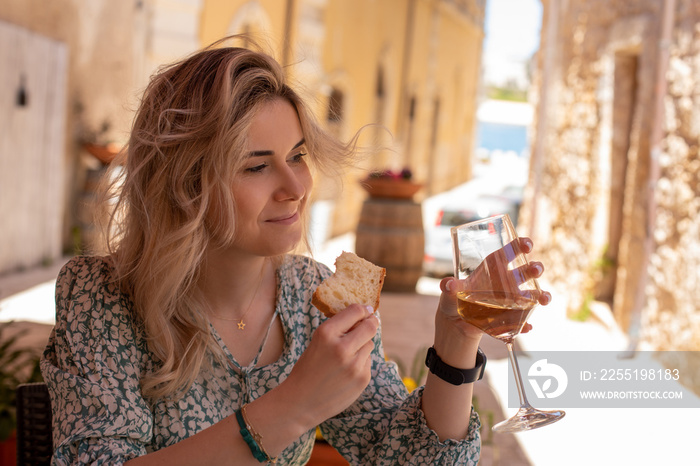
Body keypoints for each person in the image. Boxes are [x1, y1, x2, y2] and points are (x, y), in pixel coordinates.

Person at [41, 37, 551, 465]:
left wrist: (455, 344)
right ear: (186, 185)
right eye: (256, 166)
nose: (295, 186)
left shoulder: (313, 295)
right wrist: (293, 405)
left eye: (297, 156)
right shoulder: (100, 296)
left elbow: (406, 456)